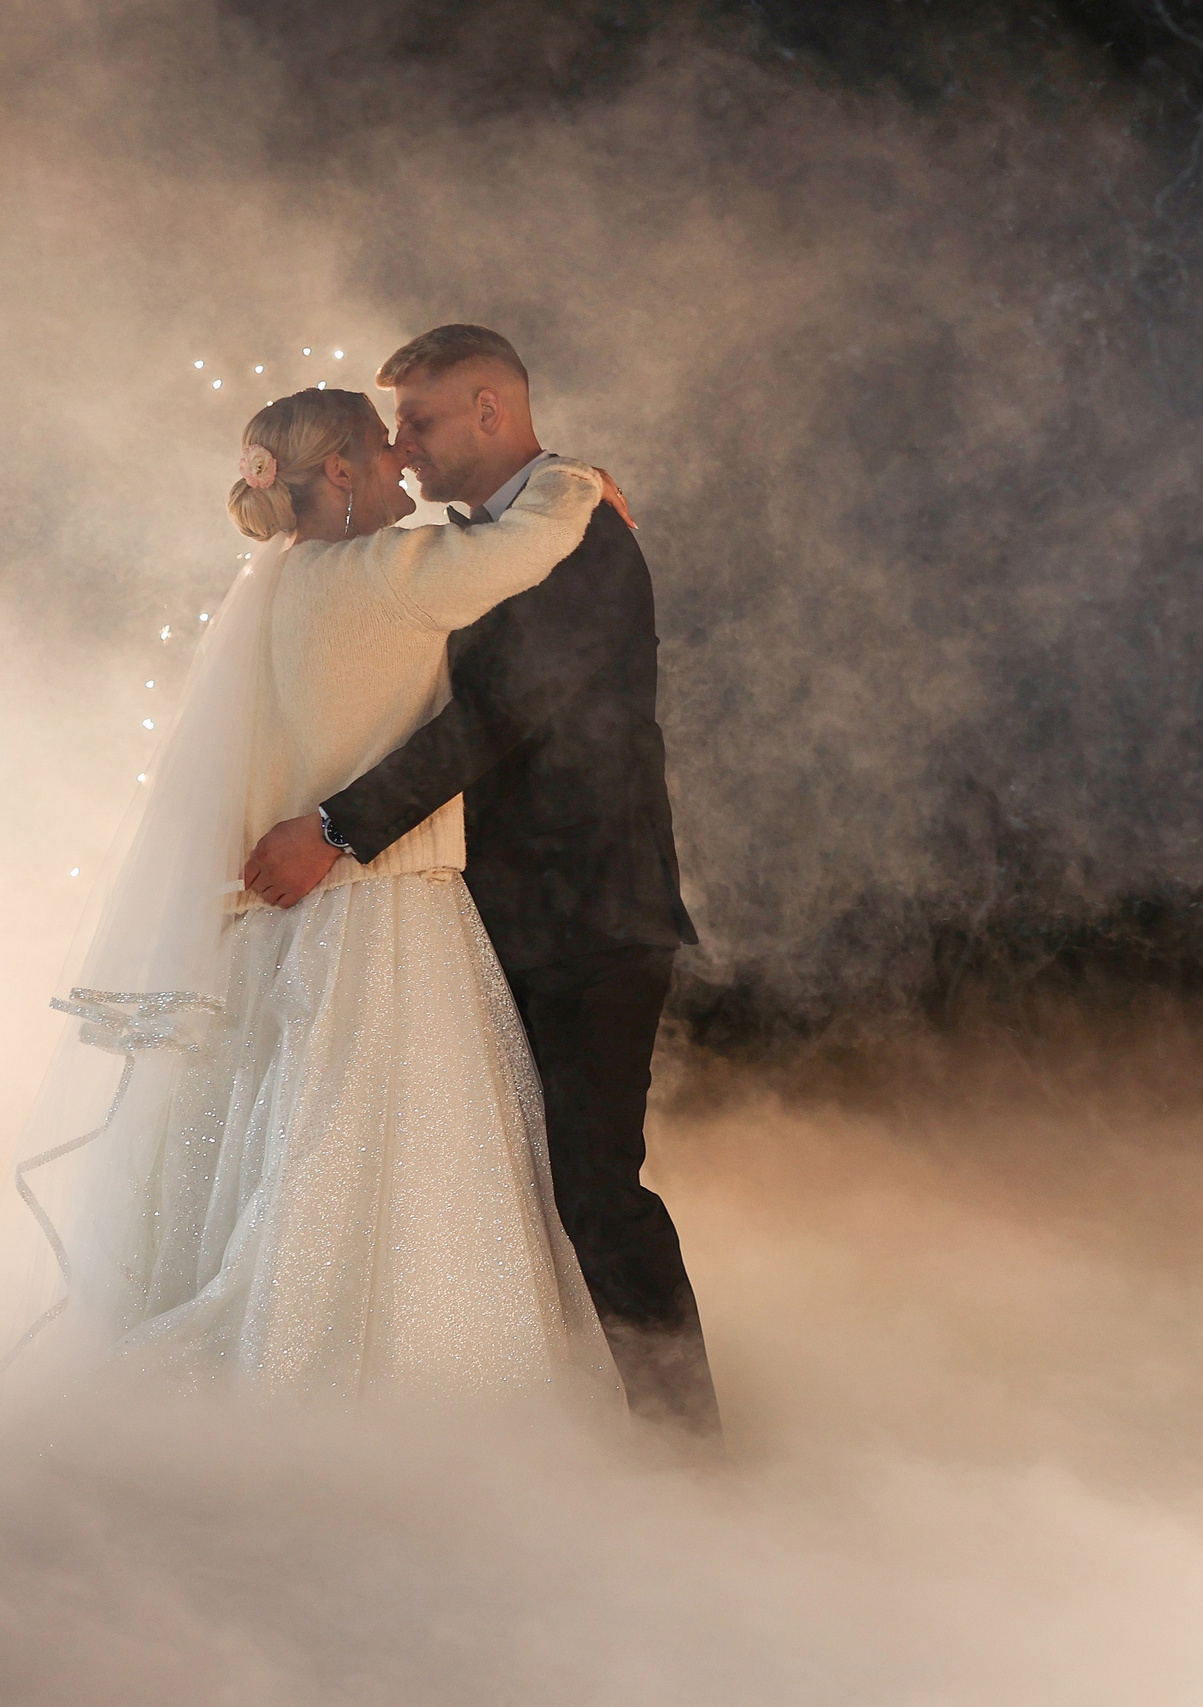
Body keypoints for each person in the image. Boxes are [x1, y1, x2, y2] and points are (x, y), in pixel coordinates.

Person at [4, 387, 620, 1405]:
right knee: (371, 1153)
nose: (403, 465)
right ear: (338, 471)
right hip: (380, 910)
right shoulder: (387, 574)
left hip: (266, 924)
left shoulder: (277, 583)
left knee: (262, 1145)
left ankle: (257, 1366)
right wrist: (578, 478)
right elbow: (533, 541)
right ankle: (371, 1385)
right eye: (384, 448)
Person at [239, 327, 717, 1437]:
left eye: (421, 421)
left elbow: (503, 717)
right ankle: (532, 1428)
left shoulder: (582, 538)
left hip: (590, 913)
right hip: (481, 911)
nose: (402, 446)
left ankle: (690, 1453)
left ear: (493, 410)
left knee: (596, 1190)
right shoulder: (487, 538)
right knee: (497, 1192)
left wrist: (336, 830)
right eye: (393, 427)